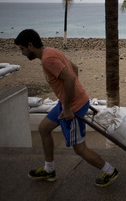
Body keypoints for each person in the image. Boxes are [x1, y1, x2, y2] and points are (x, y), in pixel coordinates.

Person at [14, 29, 118, 187]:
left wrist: (69, 106)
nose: (22, 53)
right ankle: (49, 170)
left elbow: (69, 77)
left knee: (80, 148)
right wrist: (71, 95)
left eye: (22, 49)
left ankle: (110, 171)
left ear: (30, 45)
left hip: (73, 107)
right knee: (44, 128)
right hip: (65, 103)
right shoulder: (50, 52)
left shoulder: (48, 59)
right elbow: (74, 69)